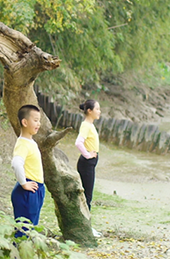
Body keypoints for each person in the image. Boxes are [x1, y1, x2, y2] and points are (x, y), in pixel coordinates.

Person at [10, 104, 45, 238]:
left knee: (30, 229)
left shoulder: (30, 142)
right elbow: (16, 163)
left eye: (39, 120)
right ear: (25, 122)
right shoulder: (23, 143)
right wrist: (24, 183)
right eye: (35, 120)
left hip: (35, 189)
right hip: (28, 192)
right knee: (24, 232)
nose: (38, 124)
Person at [75, 99, 102, 237]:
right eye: (97, 109)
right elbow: (78, 142)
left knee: (87, 195)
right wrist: (87, 155)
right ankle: (86, 228)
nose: (99, 111)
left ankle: (85, 225)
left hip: (89, 163)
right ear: (89, 111)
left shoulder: (89, 125)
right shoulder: (86, 125)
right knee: (87, 196)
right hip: (87, 163)